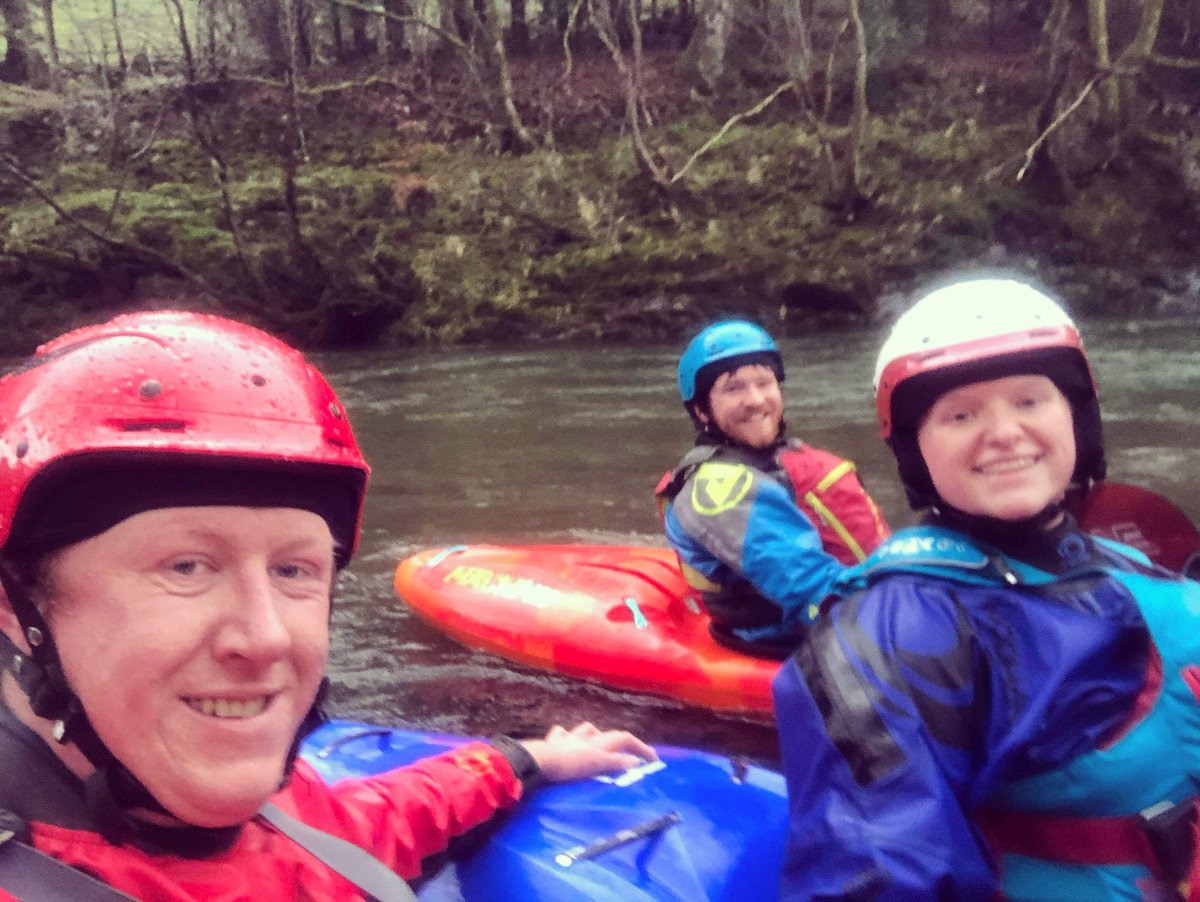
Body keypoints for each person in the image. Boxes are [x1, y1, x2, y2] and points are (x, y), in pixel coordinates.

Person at [0, 310, 655, 901]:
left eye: (294, 569)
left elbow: (368, 823)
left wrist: (523, 760)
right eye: (186, 566)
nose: (266, 638)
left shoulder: (284, 814)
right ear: (15, 606)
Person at [772, 277, 1200, 900]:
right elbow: (876, 865)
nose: (1003, 433)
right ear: (917, 451)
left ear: (1076, 417)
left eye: (1029, 401)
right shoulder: (889, 630)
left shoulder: (1122, 561)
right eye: (961, 414)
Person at [655, 320, 890, 657]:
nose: (756, 400)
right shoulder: (720, 489)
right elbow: (807, 585)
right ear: (701, 410)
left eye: (764, 383)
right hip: (782, 640)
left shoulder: (774, 460)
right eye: (734, 388)